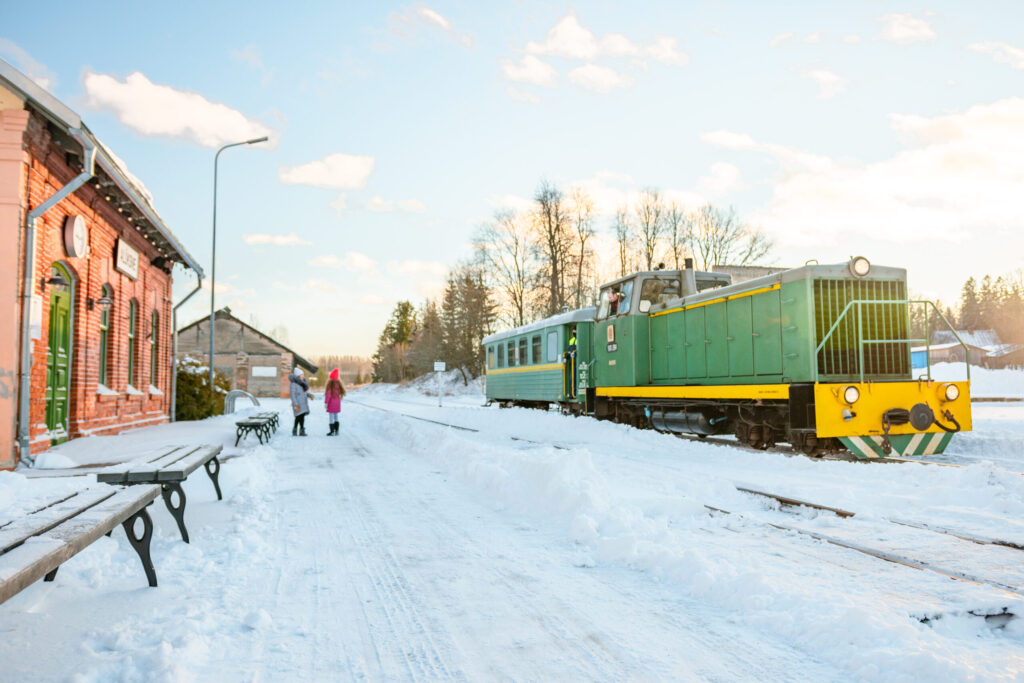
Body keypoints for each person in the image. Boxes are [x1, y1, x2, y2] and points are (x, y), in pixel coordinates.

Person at [324, 369, 346, 436]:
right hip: (337, 404)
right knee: (336, 417)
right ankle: (337, 431)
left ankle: (332, 431)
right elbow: (341, 393)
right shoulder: (339, 385)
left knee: (331, 417)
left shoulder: (331, 386)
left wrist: (326, 402)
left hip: (331, 404)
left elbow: (328, 395)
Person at [289, 367, 310, 436]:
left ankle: (301, 430)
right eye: (302, 375)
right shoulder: (293, 384)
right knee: (298, 417)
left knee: (302, 417)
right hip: (298, 404)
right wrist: (295, 404)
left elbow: (303, 393)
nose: (303, 376)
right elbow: (293, 395)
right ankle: (294, 429)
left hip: (303, 403)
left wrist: (309, 395)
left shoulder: (302, 384)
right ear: (298, 376)